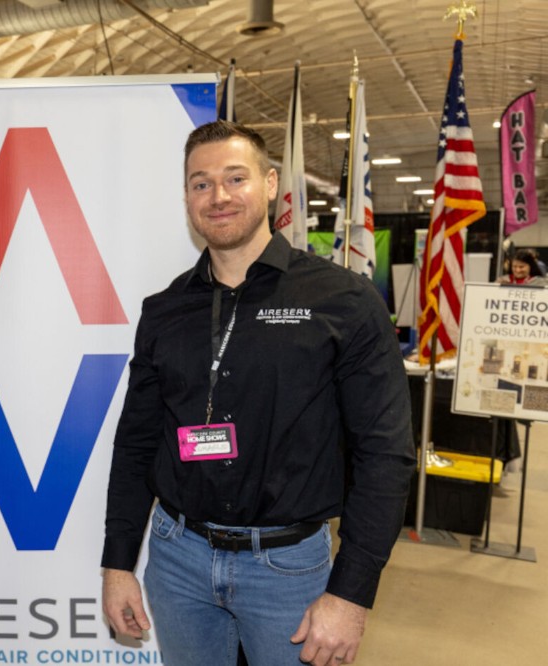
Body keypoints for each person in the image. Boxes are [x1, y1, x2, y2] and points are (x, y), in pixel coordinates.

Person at [100, 120, 415, 666]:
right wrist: (118, 562)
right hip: (178, 562)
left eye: (235, 178)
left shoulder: (344, 301)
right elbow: (136, 443)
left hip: (288, 571)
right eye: (201, 183)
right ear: (187, 198)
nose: (218, 196)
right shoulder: (164, 310)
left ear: (270, 185)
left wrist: (351, 593)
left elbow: (384, 454)